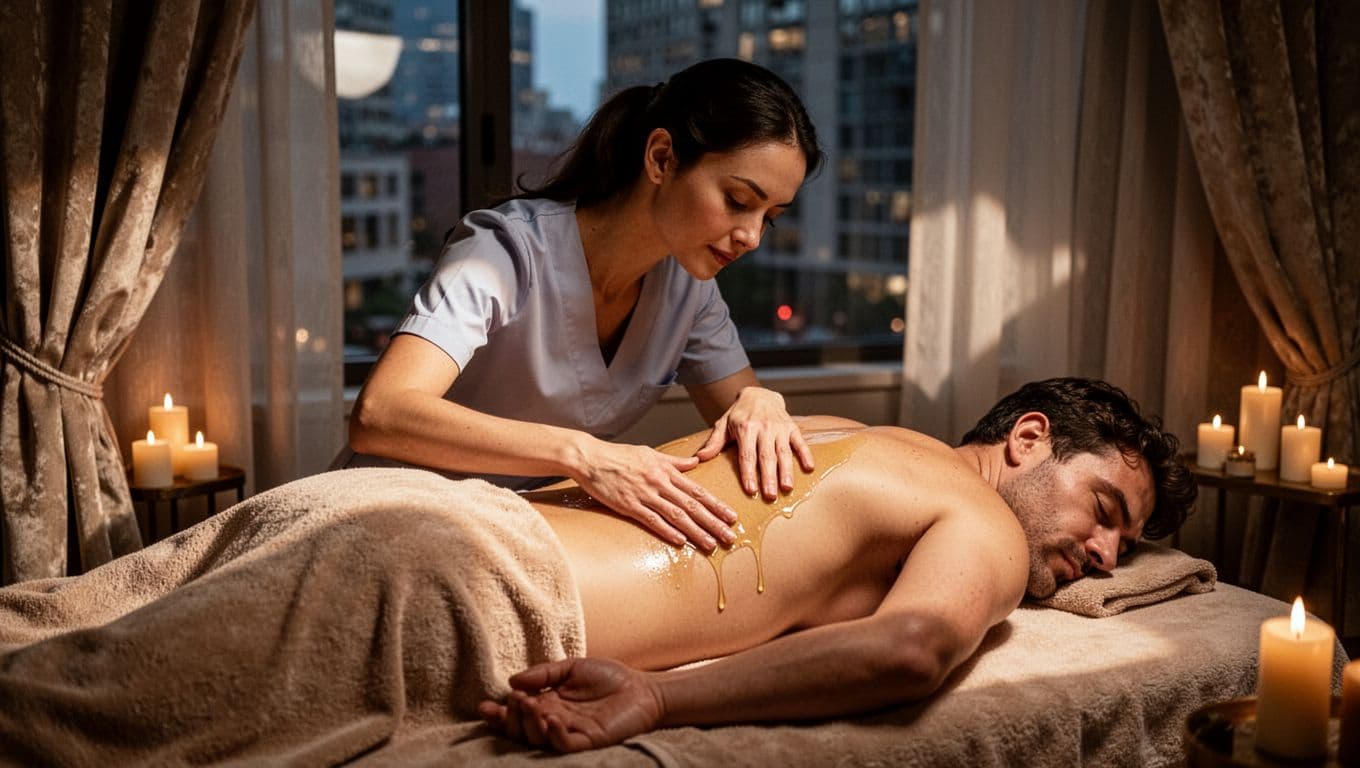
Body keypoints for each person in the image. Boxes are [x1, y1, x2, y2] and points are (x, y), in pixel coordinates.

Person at [476, 377, 1196, 751]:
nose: (1104, 556)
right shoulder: (986, 521)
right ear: (1029, 438)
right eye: (1105, 511)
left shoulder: (846, 435)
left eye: (1125, 549)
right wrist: (658, 699)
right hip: (490, 578)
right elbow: (908, 650)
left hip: (455, 515)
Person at [343, 58, 824, 554]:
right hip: (390, 519)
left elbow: (751, 431)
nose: (751, 237)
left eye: (770, 217)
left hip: (511, 535)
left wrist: (763, 402)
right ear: (661, 158)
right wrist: (582, 455)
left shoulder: (689, 290)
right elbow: (381, 412)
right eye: (739, 200)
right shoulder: (505, 252)